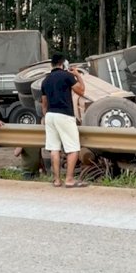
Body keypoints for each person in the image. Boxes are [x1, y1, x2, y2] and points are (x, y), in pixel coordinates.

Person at [41, 53, 87, 188]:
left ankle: (56, 180)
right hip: (64, 115)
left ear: (52, 65)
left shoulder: (46, 80)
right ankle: (69, 179)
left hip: (49, 116)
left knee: (54, 148)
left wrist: (45, 116)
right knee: (73, 149)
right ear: (63, 64)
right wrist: (77, 75)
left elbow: (43, 103)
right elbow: (82, 91)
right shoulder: (67, 76)